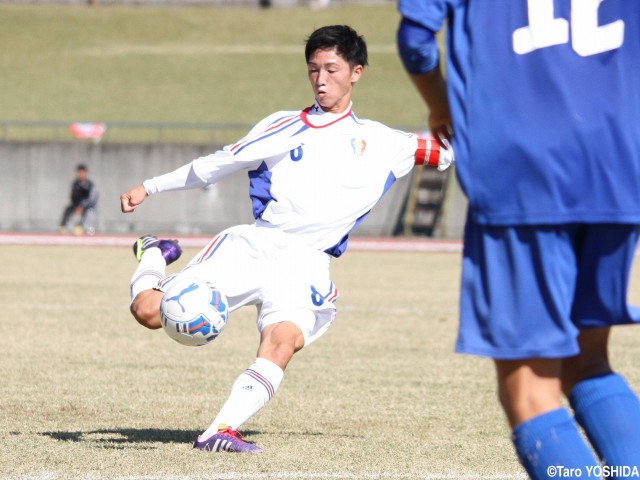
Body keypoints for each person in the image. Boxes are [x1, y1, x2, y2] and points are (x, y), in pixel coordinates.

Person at [120, 25, 454, 454]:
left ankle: (218, 431)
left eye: (331, 69)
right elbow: (217, 164)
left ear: (356, 73)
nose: (320, 79)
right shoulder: (281, 125)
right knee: (148, 312)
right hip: (255, 247)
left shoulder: (387, 142)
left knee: (283, 340)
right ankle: (152, 253)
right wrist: (150, 186)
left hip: (308, 264)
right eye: (313, 69)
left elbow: (449, 150)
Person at [397, 2, 640, 478]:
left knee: (529, 387)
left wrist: (439, 104)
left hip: (523, 169)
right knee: (586, 362)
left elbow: (416, 41)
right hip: (617, 164)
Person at [59, 164, 98, 235]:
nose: (81, 174)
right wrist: (76, 206)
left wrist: (82, 206)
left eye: (82, 172)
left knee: (89, 212)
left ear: (86, 173)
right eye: (79, 173)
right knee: (67, 209)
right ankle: (63, 227)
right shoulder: (75, 184)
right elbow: (73, 196)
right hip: (76, 205)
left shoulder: (90, 184)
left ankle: (83, 228)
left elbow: (92, 199)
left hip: (87, 206)